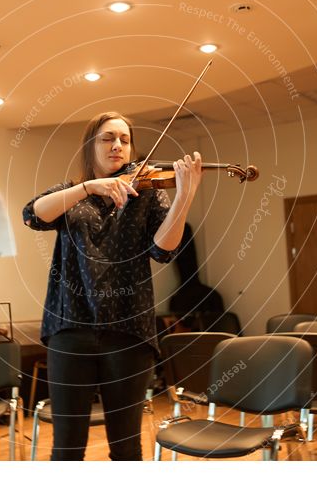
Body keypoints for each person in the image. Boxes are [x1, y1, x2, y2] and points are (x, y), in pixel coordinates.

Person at [22, 111, 202, 460]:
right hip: (70, 327)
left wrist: (184, 197)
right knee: (67, 445)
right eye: (107, 138)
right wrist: (89, 187)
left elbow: (164, 252)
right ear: (91, 147)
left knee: (125, 446)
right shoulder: (71, 194)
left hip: (128, 330)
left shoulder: (148, 195)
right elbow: (32, 214)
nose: (117, 145)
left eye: (124, 139)